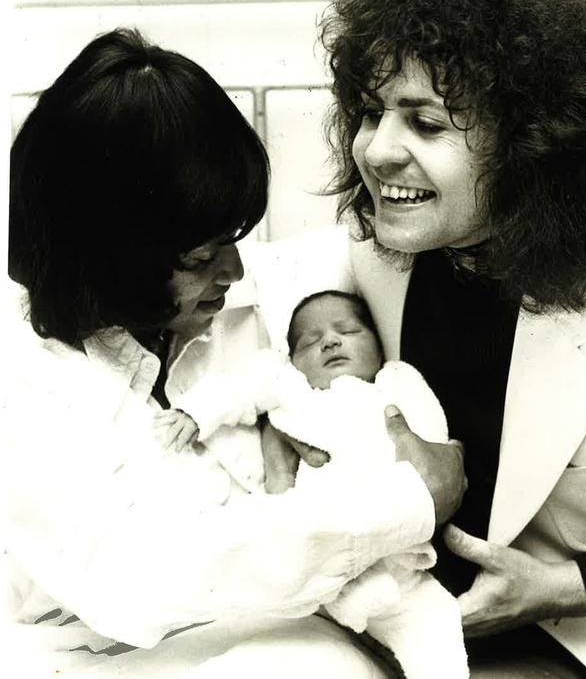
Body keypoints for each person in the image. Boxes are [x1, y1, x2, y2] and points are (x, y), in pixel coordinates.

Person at [2, 28, 466, 678]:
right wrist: (408, 501)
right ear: (110, 263)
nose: (234, 268)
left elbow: (421, 234)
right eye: (200, 256)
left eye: (234, 237)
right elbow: (138, 580)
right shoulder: (21, 379)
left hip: (287, 637)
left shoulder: (264, 294)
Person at [262, 0, 586, 677]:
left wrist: (565, 587)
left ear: (533, 143)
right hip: (389, 613)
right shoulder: (381, 246)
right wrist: (277, 429)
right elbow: (269, 299)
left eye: (426, 122)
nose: (375, 151)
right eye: (372, 113)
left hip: (576, 633)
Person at [155, 288, 469, 678]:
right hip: (312, 547)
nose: (331, 341)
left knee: (436, 627)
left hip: (397, 556)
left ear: (378, 342)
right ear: (294, 360)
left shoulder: (395, 381)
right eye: (311, 341)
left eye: (349, 331)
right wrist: (195, 414)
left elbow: (430, 434)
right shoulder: (292, 389)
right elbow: (241, 386)